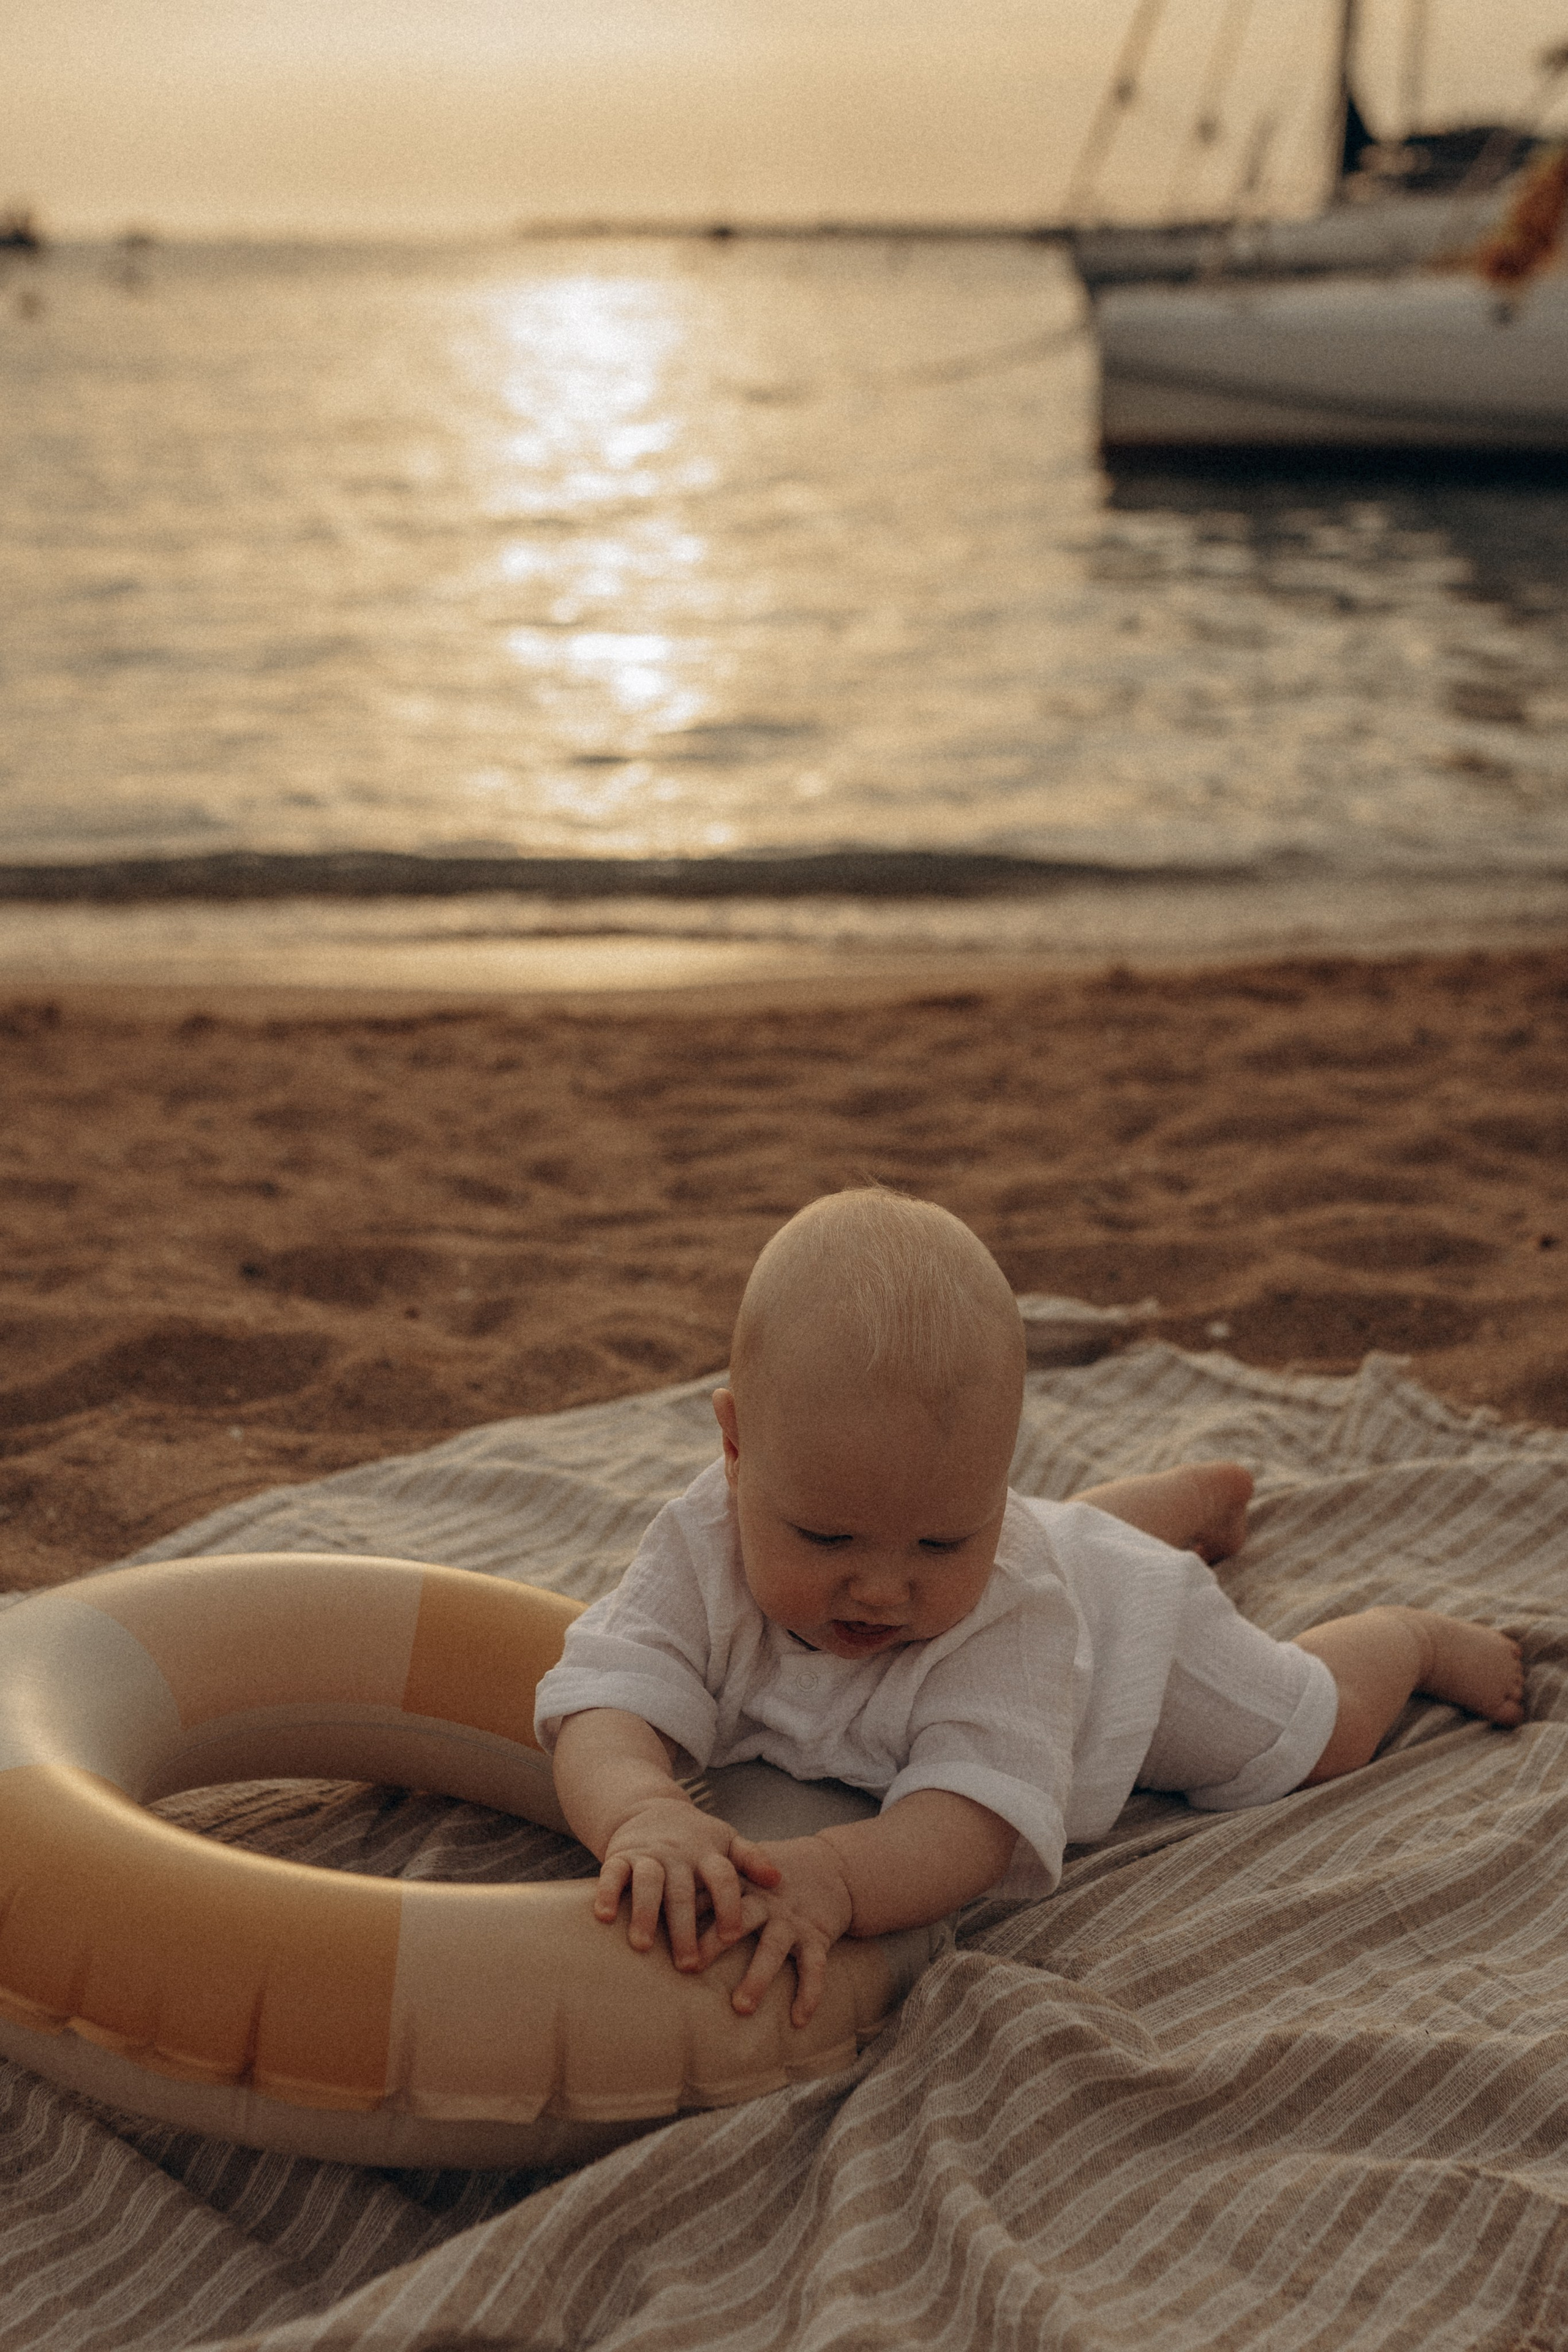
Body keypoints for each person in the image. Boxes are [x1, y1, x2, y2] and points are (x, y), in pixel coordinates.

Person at [536, 1190, 1525, 2027]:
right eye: (828, 1540)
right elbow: (607, 1692)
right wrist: (641, 1811)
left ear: (997, 1487)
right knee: (1045, 1539)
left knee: (1318, 1734)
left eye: (943, 1541)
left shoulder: (1008, 1615)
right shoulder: (701, 1538)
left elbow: (965, 1824)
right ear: (736, 1448)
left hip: (1132, 1639)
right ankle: (1181, 1499)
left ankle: (1405, 1638)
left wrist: (836, 1877)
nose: (883, 1590)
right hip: (1054, 1545)